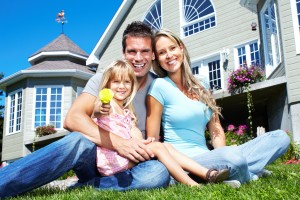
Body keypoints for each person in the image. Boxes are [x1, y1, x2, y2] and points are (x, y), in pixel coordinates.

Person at [0, 21, 169, 198]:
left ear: (153, 55)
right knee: (77, 140)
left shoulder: (159, 86)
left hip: (131, 166)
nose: (138, 58)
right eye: (132, 51)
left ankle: (85, 187)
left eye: (145, 51)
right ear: (124, 54)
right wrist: (119, 143)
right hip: (97, 159)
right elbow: (72, 119)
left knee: (157, 173)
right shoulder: (104, 79)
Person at [146, 28, 291, 185]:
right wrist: (227, 157)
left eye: (172, 48)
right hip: (185, 163)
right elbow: (153, 141)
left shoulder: (202, 84)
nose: (169, 55)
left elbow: (215, 129)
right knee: (233, 158)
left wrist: (221, 154)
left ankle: (231, 171)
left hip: (212, 156)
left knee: (280, 138)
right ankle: (247, 173)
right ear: (158, 60)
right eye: (162, 53)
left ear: (181, 47)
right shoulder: (159, 86)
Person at [93, 60, 229, 185]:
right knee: (158, 147)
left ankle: (208, 173)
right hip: (112, 162)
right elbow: (98, 110)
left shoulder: (127, 110)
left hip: (126, 156)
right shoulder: (108, 103)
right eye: (116, 82)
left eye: (127, 82)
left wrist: (143, 143)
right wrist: (102, 107)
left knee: (166, 146)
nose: (122, 86)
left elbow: (136, 137)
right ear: (107, 84)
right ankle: (193, 185)